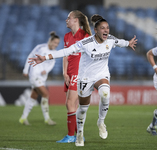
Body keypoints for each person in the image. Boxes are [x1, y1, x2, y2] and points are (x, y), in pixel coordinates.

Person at [29, 14, 137, 146]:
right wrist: (45, 57)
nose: (106, 30)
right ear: (96, 30)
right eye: (102, 28)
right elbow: (65, 51)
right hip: (85, 77)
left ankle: (101, 122)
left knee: (105, 94)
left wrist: (129, 43)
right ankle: (79, 133)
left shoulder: (110, 39)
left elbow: (120, 42)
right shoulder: (86, 43)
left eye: (107, 28)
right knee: (83, 108)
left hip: (101, 75)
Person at [56, 10, 92, 143]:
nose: (66, 20)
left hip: (79, 73)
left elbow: (90, 57)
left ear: (76, 20)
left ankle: (71, 136)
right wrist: (65, 73)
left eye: (69, 18)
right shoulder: (66, 36)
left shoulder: (85, 36)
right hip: (70, 73)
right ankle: (79, 135)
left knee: (70, 103)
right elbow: (65, 56)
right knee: (72, 105)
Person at [19, 31, 60, 125]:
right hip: (34, 75)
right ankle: (47, 119)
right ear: (50, 41)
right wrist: (25, 70)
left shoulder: (54, 52)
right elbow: (30, 56)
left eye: (57, 43)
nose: (56, 44)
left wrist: (46, 70)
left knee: (33, 96)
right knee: (46, 94)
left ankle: (23, 118)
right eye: (54, 42)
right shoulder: (40, 47)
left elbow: (52, 63)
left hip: (42, 77)